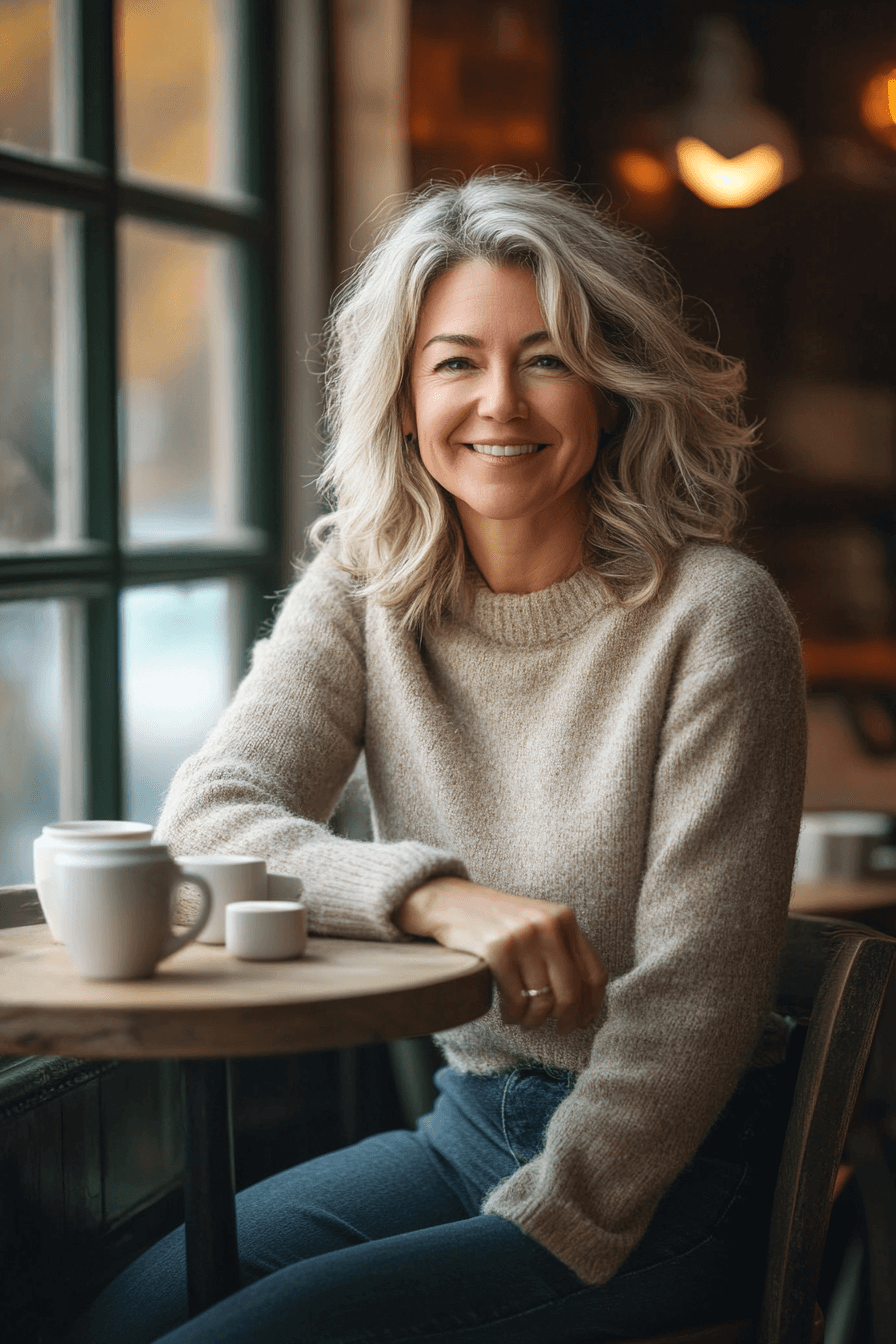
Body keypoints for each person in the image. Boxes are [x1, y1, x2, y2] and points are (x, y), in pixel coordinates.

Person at [72, 173, 806, 1344]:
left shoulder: (716, 618)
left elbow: (692, 1002)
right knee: (113, 1320)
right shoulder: (368, 588)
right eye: (455, 361)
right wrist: (432, 897)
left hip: (660, 1178)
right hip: (465, 1127)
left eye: (548, 358)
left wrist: (556, 1220)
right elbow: (206, 822)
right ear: (405, 398)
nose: (499, 402)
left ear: (610, 390)